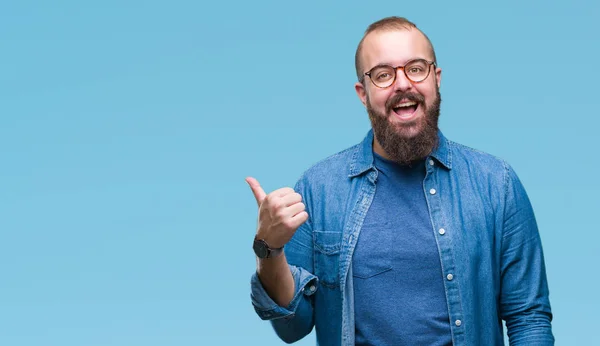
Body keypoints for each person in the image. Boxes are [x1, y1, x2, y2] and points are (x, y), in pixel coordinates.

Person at [246, 16, 554, 346]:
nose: (402, 84)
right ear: (362, 94)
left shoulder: (497, 185)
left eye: (416, 68)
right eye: (383, 75)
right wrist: (269, 249)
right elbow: (292, 327)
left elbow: (528, 317)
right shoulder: (318, 190)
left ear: (436, 79)